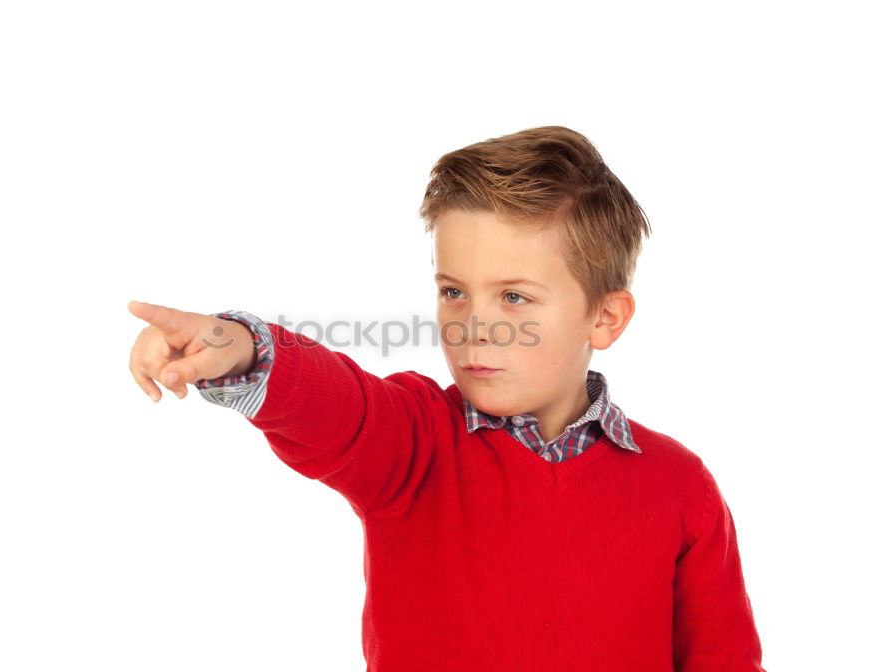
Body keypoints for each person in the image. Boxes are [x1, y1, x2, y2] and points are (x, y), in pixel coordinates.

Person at [127, 125, 766, 671]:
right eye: (454, 291)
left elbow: (724, 657)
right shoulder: (413, 441)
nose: (471, 325)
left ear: (604, 317)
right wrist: (240, 346)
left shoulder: (680, 486)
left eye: (513, 297)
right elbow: (339, 405)